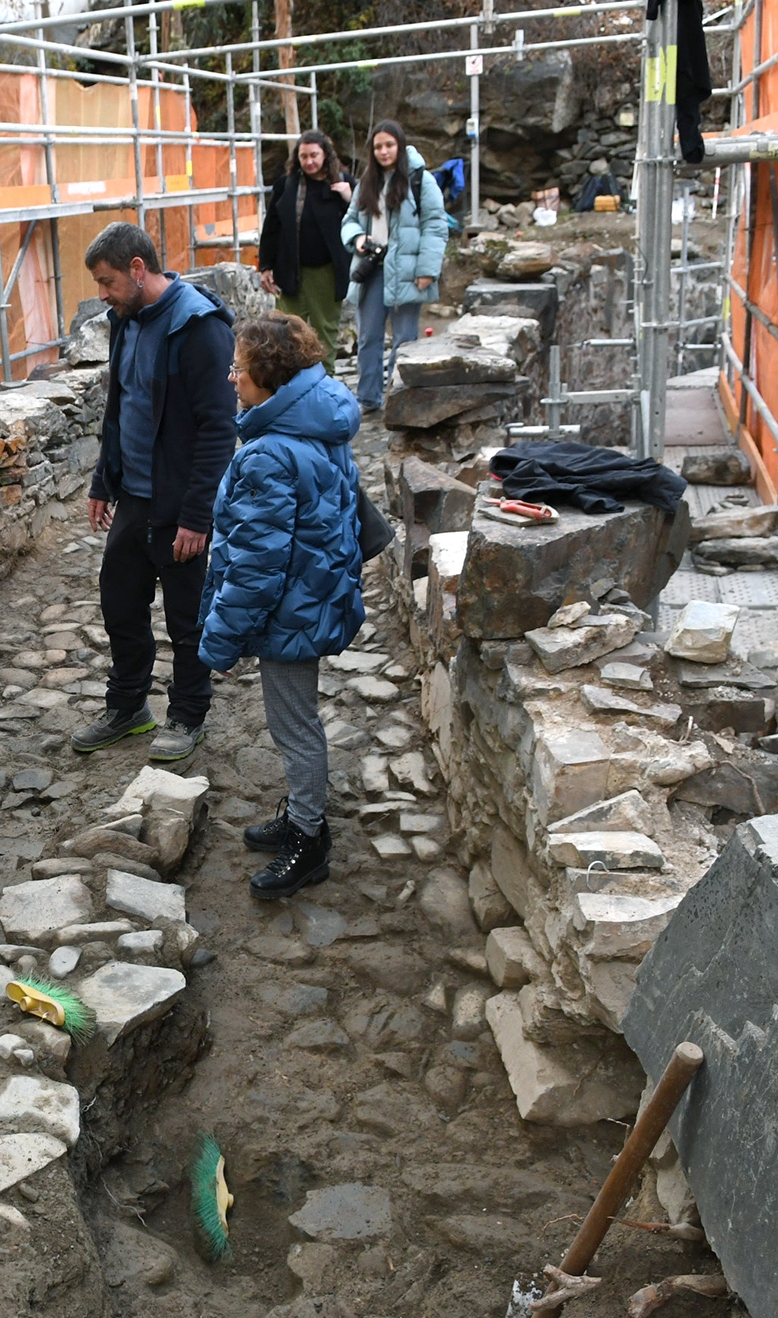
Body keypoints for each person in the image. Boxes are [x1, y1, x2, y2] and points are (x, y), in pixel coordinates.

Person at [197, 314, 366, 901]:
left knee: (294, 726)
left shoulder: (269, 452)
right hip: (315, 594)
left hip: (291, 610)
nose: (232, 377)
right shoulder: (319, 424)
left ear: (268, 376)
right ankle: (300, 815)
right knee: (297, 720)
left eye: (239, 368)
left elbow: (256, 565)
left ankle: (309, 837)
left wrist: (219, 641)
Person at [75, 221, 238, 763]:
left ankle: (188, 714)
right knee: (120, 602)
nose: (102, 294)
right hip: (134, 498)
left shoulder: (200, 328)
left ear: (138, 269)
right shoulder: (126, 320)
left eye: (107, 281)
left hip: (181, 503)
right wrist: (104, 480)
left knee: (188, 618)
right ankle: (128, 707)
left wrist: (197, 516)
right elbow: (120, 406)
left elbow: (219, 428)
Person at [341, 119, 449, 414]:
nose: (384, 151)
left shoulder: (421, 180)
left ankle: (399, 397)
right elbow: (349, 220)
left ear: (399, 146)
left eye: (389, 145)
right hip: (372, 266)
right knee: (368, 337)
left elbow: (435, 226)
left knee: (405, 339)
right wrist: (357, 237)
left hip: (407, 270)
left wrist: (427, 270)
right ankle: (368, 398)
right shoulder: (368, 181)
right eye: (378, 146)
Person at [256, 130, 355, 373]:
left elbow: (361, 221)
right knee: (286, 332)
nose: (309, 161)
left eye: (314, 155)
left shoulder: (342, 184)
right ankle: (290, 382)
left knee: (325, 331)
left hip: (326, 273)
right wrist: (266, 266)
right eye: (304, 156)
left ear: (325, 155)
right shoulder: (286, 186)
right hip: (290, 271)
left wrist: (349, 198)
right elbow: (271, 228)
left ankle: (325, 380)